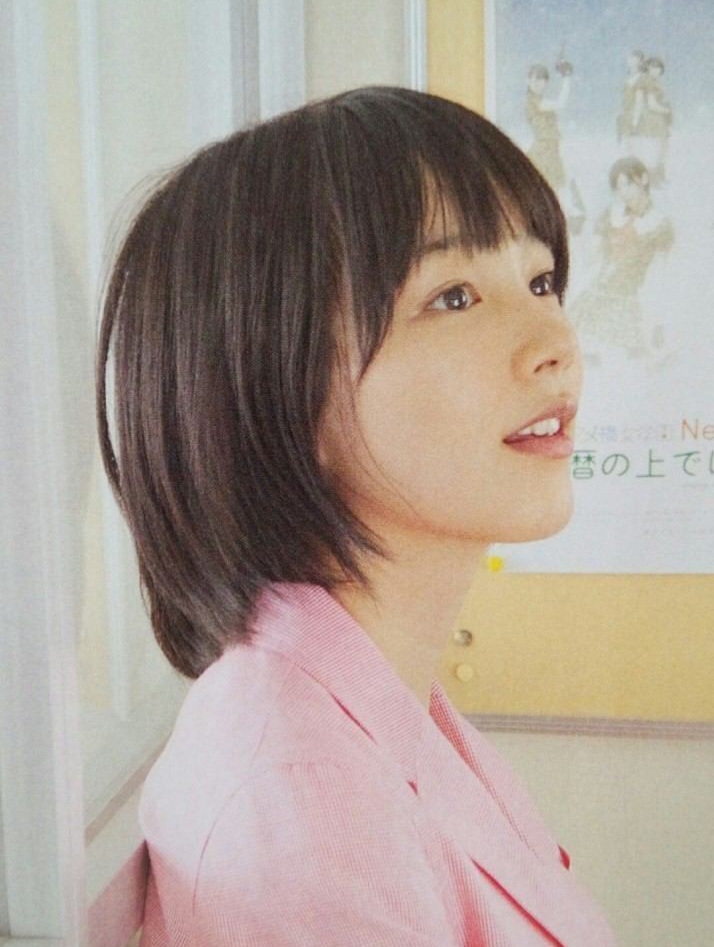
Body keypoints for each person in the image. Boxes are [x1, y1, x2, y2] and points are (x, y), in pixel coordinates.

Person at [97, 86, 616, 946]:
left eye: (540, 280)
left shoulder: (378, 695)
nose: (555, 342)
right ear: (274, 386)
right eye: (454, 296)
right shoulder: (300, 805)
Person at [568, 155, 673, 362]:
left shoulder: (659, 223)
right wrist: (580, 233)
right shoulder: (611, 216)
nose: (623, 192)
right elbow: (593, 255)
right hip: (604, 284)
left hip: (636, 290)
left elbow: (664, 268)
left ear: (643, 179)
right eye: (618, 188)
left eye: (627, 184)